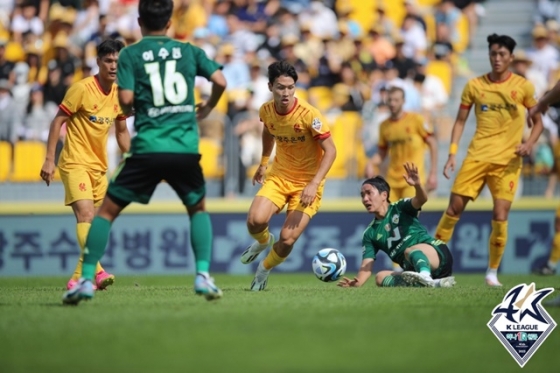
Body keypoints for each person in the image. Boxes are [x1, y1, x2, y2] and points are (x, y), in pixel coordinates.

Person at [62, 0, 227, 304]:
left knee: (106, 214)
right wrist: (209, 105)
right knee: (198, 210)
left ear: (140, 22)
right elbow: (220, 80)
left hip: (148, 147)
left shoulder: (131, 54)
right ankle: (203, 274)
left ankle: (85, 280)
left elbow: (124, 99)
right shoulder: (188, 51)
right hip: (184, 148)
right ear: (170, 23)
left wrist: (134, 104)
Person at [434, 34, 544, 287]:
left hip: (507, 162)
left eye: (502, 54)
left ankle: (492, 272)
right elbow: (460, 121)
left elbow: (537, 120)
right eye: (493, 54)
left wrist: (529, 144)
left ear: (511, 58)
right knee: (453, 209)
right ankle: (433, 262)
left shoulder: (523, 87)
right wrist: (452, 153)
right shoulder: (474, 86)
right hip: (476, 157)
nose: (497, 58)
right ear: (489, 55)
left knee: (500, 213)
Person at [40, 39, 130, 291]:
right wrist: (49, 159)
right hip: (74, 162)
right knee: (87, 215)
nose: (114, 66)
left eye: (118, 62)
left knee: (97, 223)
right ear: (98, 62)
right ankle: (97, 271)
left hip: (99, 167)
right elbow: (57, 122)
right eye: (109, 61)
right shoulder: (81, 89)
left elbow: (122, 132)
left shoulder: (119, 94)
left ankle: (79, 276)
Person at [240, 60, 337, 291]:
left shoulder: (309, 114)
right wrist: (264, 163)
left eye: (291, 87)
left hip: (307, 183)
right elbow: (268, 131)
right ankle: (264, 241)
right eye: (281, 87)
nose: (286, 93)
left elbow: (331, 150)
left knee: (287, 238)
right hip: (280, 176)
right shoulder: (265, 110)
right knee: (255, 221)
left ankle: (263, 271)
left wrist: (314, 183)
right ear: (270, 86)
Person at [337, 163, 456, 288]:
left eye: (369, 193)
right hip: (412, 268)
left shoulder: (400, 207)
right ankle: (432, 283)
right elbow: (366, 265)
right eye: (362, 195)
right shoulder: (370, 233)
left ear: (384, 195)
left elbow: (421, 200)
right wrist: (357, 282)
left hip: (436, 255)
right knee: (380, 277)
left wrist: (417, 185)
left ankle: (425, 276)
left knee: (409, 251)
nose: (365, 199)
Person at [365, 86, 438, 200]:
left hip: (412, 180)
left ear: (403, 101)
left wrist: (433, 173)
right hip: (392, 181)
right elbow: (382, 153)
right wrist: (370, 163)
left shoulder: (416, 119)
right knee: (389, 216)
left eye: (396, 100)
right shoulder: (384, 126)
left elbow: (432, 143)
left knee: (407, 216)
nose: (392, 103)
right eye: (390, 100)